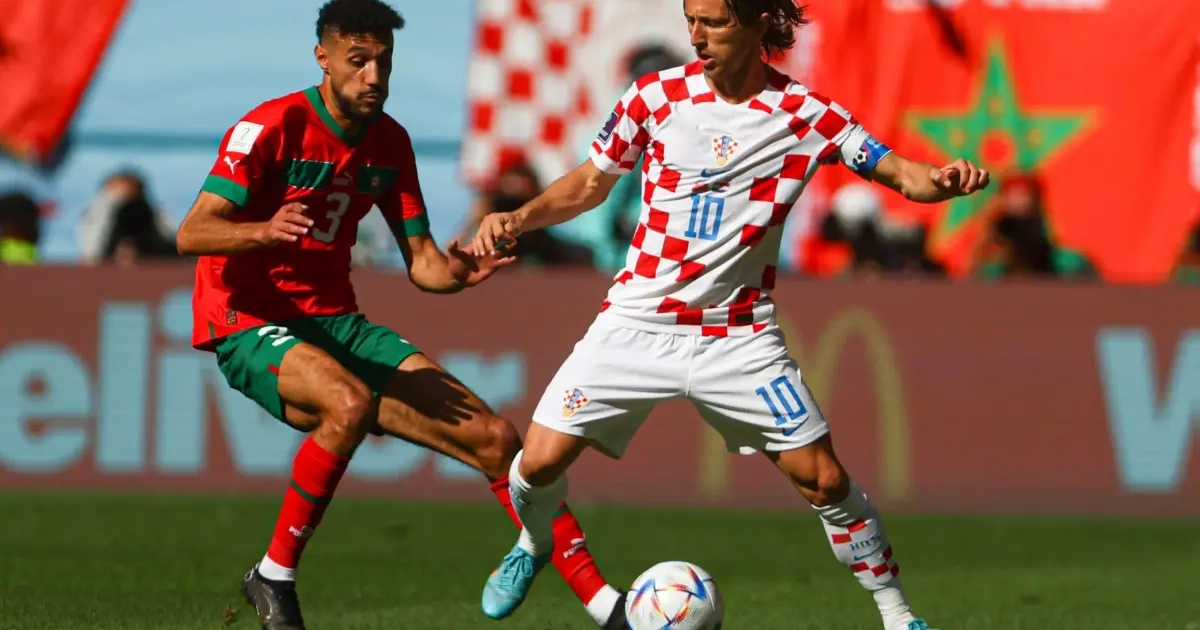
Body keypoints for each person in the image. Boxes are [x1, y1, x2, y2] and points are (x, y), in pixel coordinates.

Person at [471, 1, 990, 628]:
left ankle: (898, 615)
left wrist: (943, 179)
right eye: (690, 18)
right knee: (536, 465)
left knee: (825, 481)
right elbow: (588, 183)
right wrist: (518, 218)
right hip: (637, 324)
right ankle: (533, 542)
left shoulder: (806, 115)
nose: (696, 35)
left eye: (712, 21)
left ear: (758, 20)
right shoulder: (654, 97)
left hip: (738, 336)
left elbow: (902, 174)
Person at [173, 2, 627, 629]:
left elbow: (423, 264)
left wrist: (459, 271)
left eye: (383, 62)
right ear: (323, 58)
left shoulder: (390, 144)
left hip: (337, 323)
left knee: (496, 440)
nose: (373, 77)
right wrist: (262, 230)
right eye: (357, 60)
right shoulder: (271, 127)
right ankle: (274, 575)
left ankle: (608, 609)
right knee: (347, 404)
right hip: (246, 318)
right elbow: (192, 232)